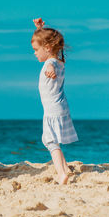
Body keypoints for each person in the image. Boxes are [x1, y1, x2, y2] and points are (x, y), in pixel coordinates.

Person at [31, 17, 79, 185]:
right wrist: (39, 29)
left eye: (36, 50)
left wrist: (49, 68)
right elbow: (50, 56)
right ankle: (65, 168)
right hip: (60, 106)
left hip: (52, 109)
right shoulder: (60, 61)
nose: (34, 53)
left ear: (48, 47)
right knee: (52, 139)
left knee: (49, 141)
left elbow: (50, 62)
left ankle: (61, 174)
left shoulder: (51, 63)